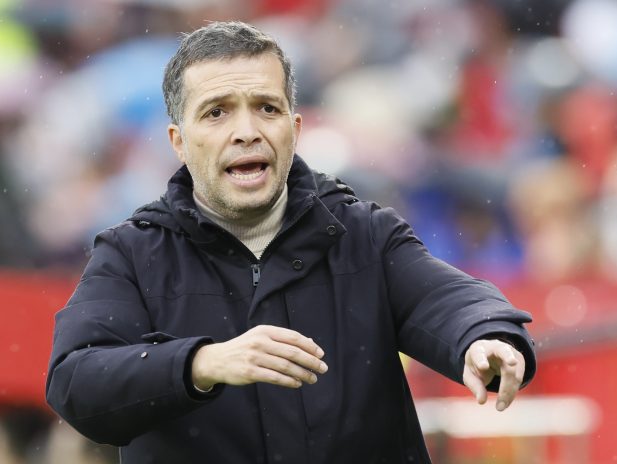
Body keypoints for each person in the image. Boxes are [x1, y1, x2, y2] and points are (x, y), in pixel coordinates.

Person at [46, 21, 536, 464]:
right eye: (216, 112)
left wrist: (485, 337)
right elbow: (75, 383)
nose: (246, 131)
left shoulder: (364, 233)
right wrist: (201, 363)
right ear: (179, 141)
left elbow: (451, 301)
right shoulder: (131, 254)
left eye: (267, 108)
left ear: (294, 128)